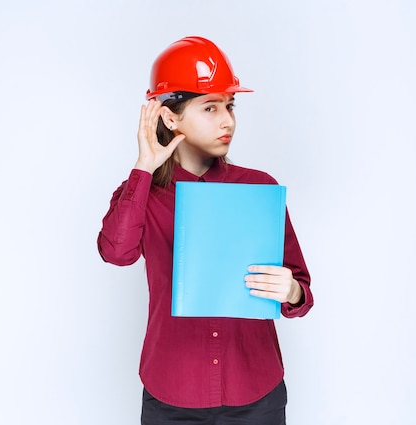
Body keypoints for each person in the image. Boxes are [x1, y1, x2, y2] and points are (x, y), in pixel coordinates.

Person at [97, 36, 314, 425]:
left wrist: (292, 290)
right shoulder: (143, 193)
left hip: (256, 394)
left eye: (230, 106)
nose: (227, 120)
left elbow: (300, 291)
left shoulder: (260, 188)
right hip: (172, 394)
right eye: (210, 107)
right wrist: (143, 168)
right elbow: (116, 252)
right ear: (169, 117)